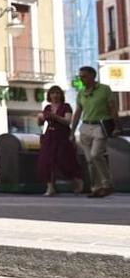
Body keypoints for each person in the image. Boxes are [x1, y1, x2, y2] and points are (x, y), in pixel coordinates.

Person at [72, 65, 116, 198]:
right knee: (90, 159)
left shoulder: (104, 89)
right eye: (80, 76)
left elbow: (113, 108)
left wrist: (117, 127)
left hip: (100, 126)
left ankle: (107, 184)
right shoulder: (81, 92)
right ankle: (96, 188)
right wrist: (72, 130)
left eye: (84, 76)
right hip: (85, 127)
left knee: (96, 154)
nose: (82, 78)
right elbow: (78, 112)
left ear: (92, 76)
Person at [36, 85, 83, 196]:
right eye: (53, 93)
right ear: (49, 95)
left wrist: (54, 117)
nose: (55, 95)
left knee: (64, 160)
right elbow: (41, 123)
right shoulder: (47, 108)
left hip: (62, 136)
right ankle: (50, 187)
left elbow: (67, 121)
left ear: (61, 95)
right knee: (46, 161)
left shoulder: (66, 107)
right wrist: (39, 118)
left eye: (57, 93)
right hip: (49, 136)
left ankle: (76, 179)